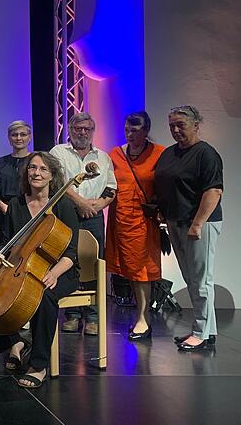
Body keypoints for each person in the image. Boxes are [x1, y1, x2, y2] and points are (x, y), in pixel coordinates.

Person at [0, 151, 80, 389]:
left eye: (43, 169)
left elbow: (71, 253)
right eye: (32, 168)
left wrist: (54, 273)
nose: (36, 173)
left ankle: (39, 364)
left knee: (43, 296)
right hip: (22, 267)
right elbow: (8, 240)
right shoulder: (17, 203)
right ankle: (13, 344)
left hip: (61, 271)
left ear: (53, 175)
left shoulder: (62, 204)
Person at [154, 106, 223, 351]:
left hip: (199, 224)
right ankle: (207, 330)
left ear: (196, 125)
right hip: (175, 222)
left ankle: (201, 333)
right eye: (171, 124)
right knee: (192, 278)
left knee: (201, 280)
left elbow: (214, 191)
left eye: (181, 124)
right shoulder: (170, 154)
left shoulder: (206, 154)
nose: (175, 129)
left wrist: (197, 223)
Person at [50, 112, 117, 336]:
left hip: (94, 216)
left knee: (94, 263)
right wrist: (80, 203)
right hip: (66, 214)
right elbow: (58, 182)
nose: (82, 132)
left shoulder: (103, 157)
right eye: (78, 128)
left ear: (92, 132)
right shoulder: (58, 152)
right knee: (67, 261)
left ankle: (93, 316)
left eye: (87, 129)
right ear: (69, 130)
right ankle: (72, 315)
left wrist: (97, 206)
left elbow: (111, 187)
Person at [105, 112, 165, 341]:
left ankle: (144, 318)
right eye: (127, 130)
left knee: (142, 270)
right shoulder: (115, 154)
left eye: (135, 130)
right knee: (130, 269)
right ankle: (141, 315)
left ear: (146, 130)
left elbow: (166, 184)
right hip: (120, 219)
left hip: (144, 221)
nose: (130, 134)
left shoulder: (159, 153)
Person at [0, 120, 32, 249]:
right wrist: (3, 207)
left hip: (29, 211)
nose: (19, 138)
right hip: (4, 212)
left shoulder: (35, 161)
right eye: (14, 135)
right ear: (9, 138)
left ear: (29, 137)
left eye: (23, 134)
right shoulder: (0, 163)